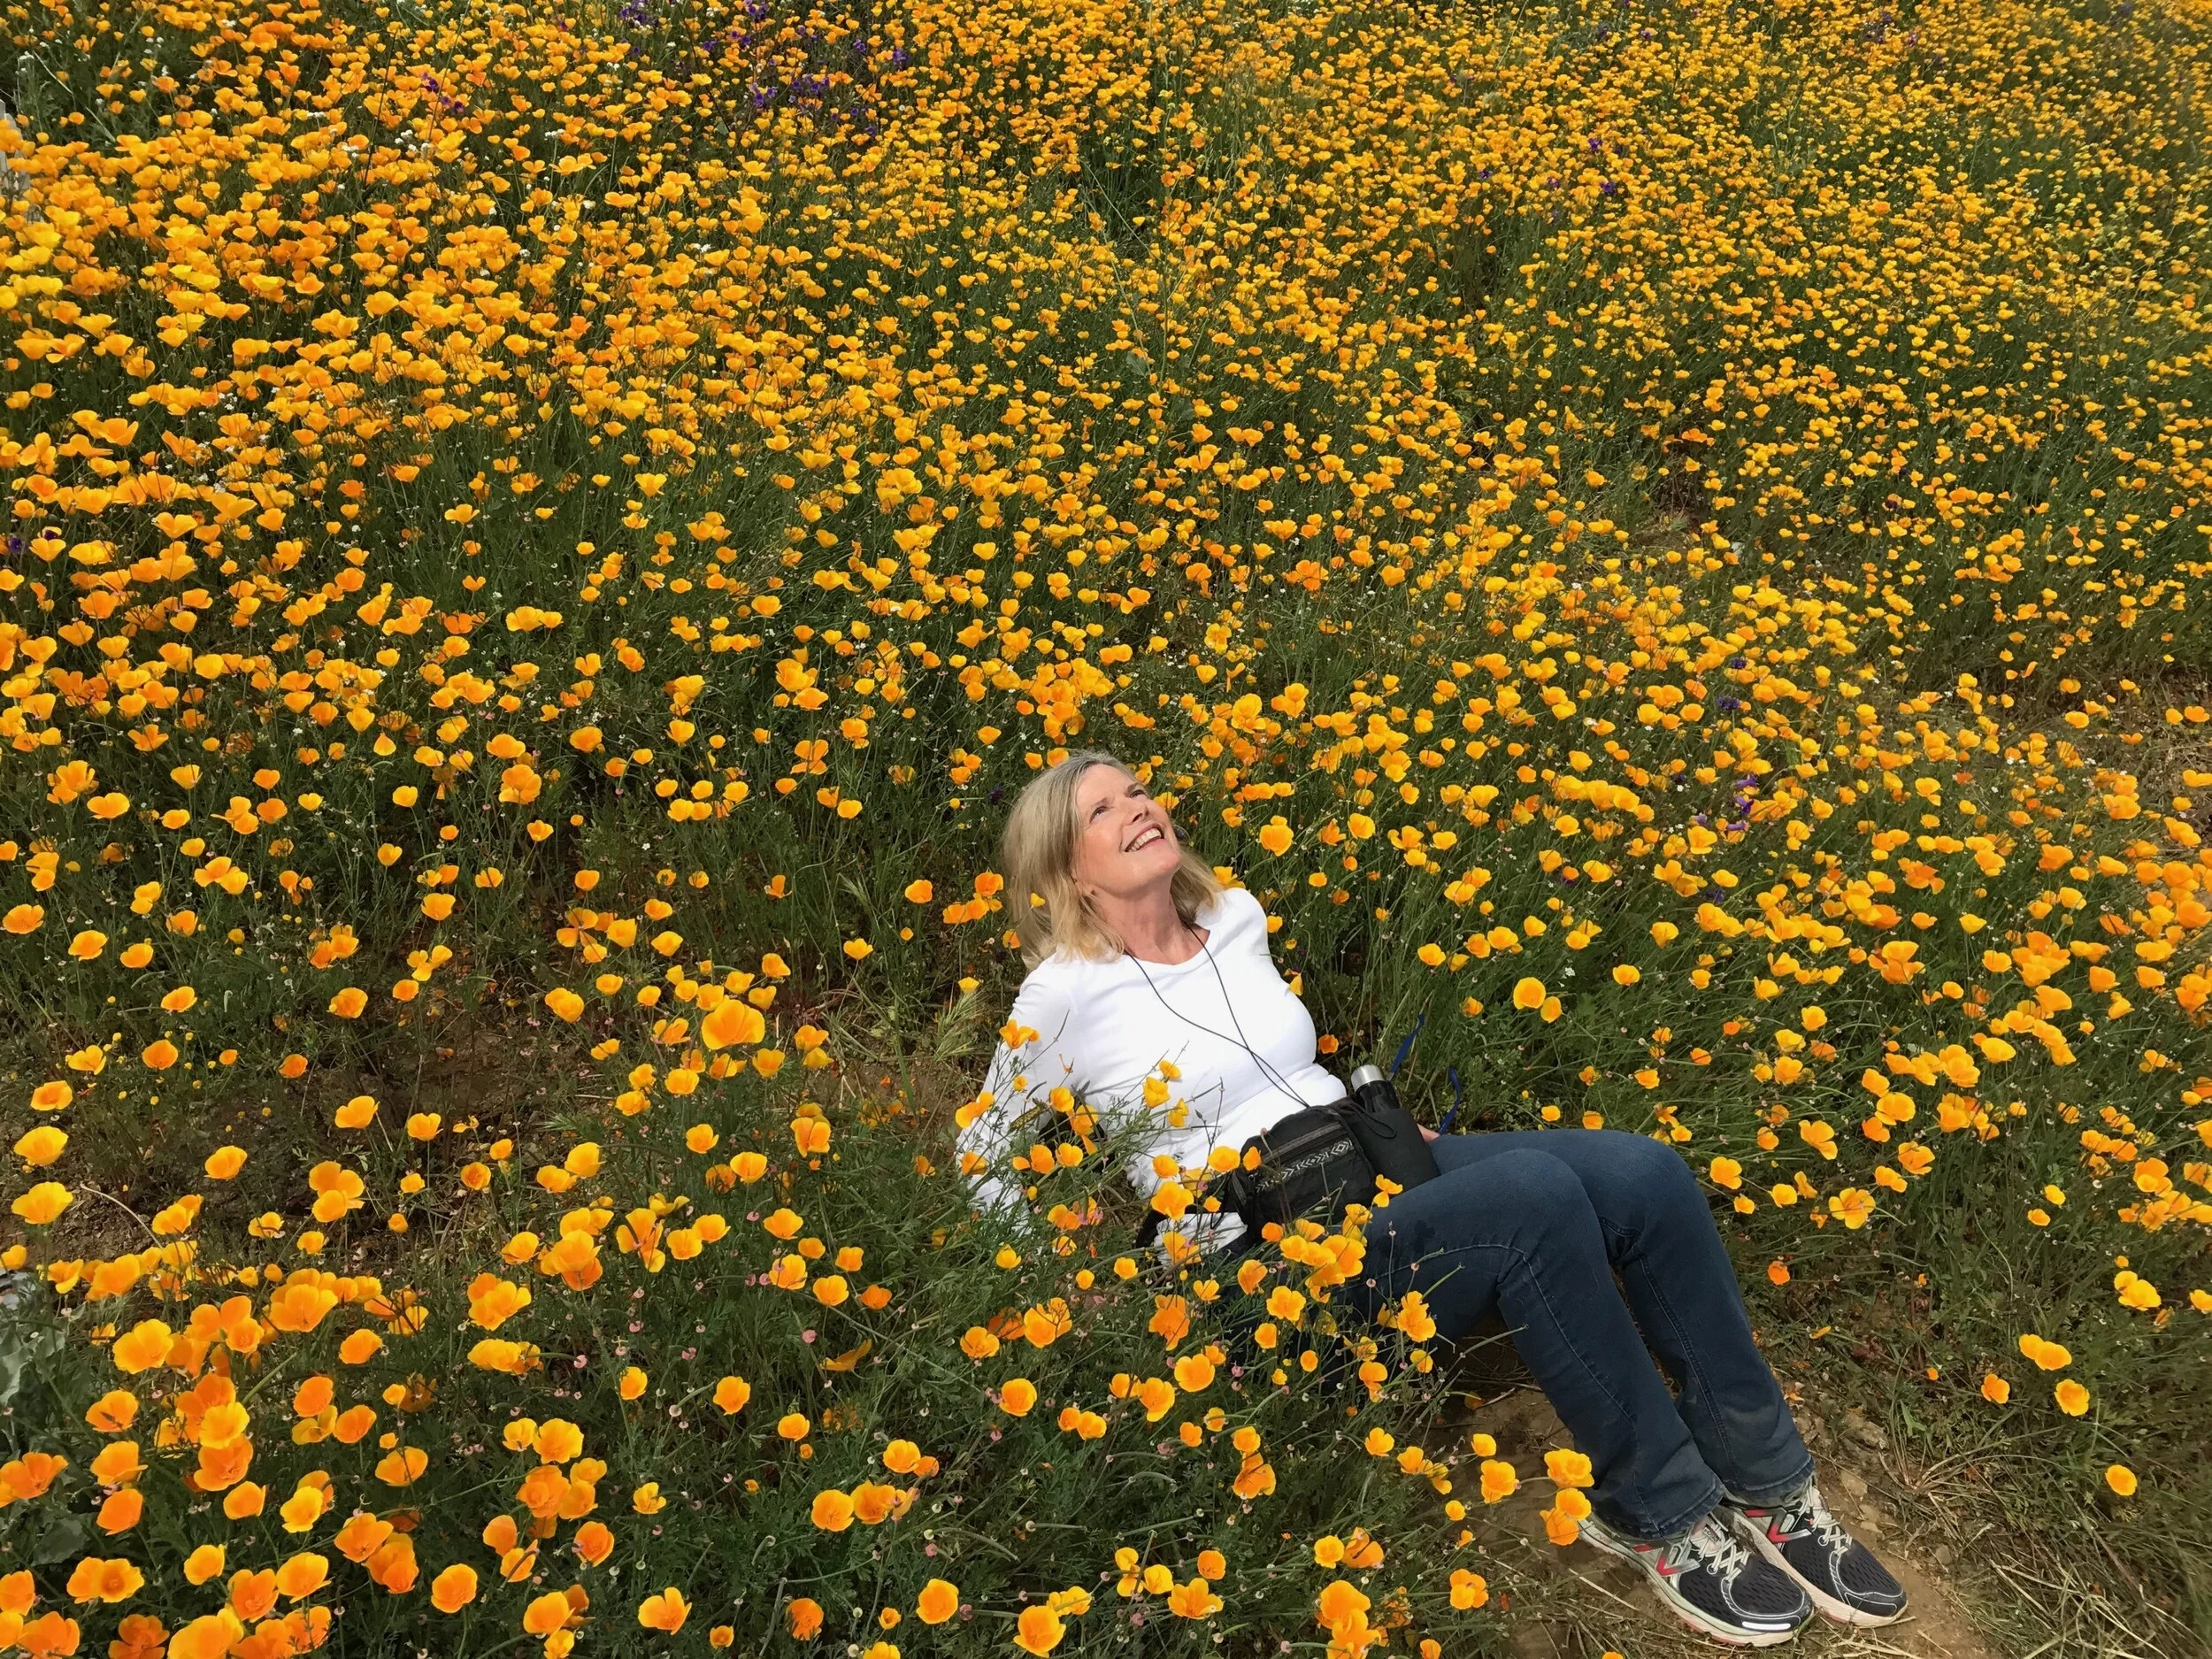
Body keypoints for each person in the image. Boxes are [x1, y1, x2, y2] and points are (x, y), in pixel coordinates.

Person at [958, 751, 1908, 1649]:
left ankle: (1768, 1483)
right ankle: (1659, 1511)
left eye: (1138, 791)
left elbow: (1276, 1071)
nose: (1137, 808)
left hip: (1371, 1167)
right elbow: (981, 1150)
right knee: (1531, 1195)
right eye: (1103, 809)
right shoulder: (1063, 994)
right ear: (1067, 870)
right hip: (1266, 1263)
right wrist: (1061, 1288)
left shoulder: (1234, 915)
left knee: (1644, 1176)